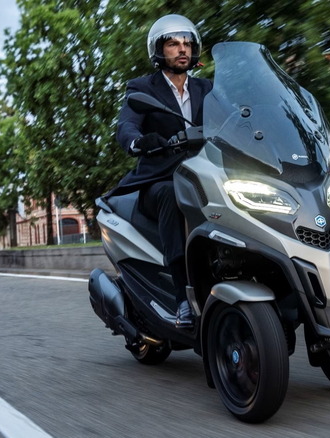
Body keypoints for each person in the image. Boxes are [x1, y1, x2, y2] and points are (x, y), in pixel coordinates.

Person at [113, 14, 213, 328]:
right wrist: (138, 142)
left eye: (187, 43)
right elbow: (126, 124)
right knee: (173, 194)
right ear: (159, 50)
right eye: (173, 43)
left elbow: (238, 118)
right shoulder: (142, 87)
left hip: (205, 175)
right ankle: (183, 298)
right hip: (159, 180)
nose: (182, 49)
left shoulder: (208, 88)